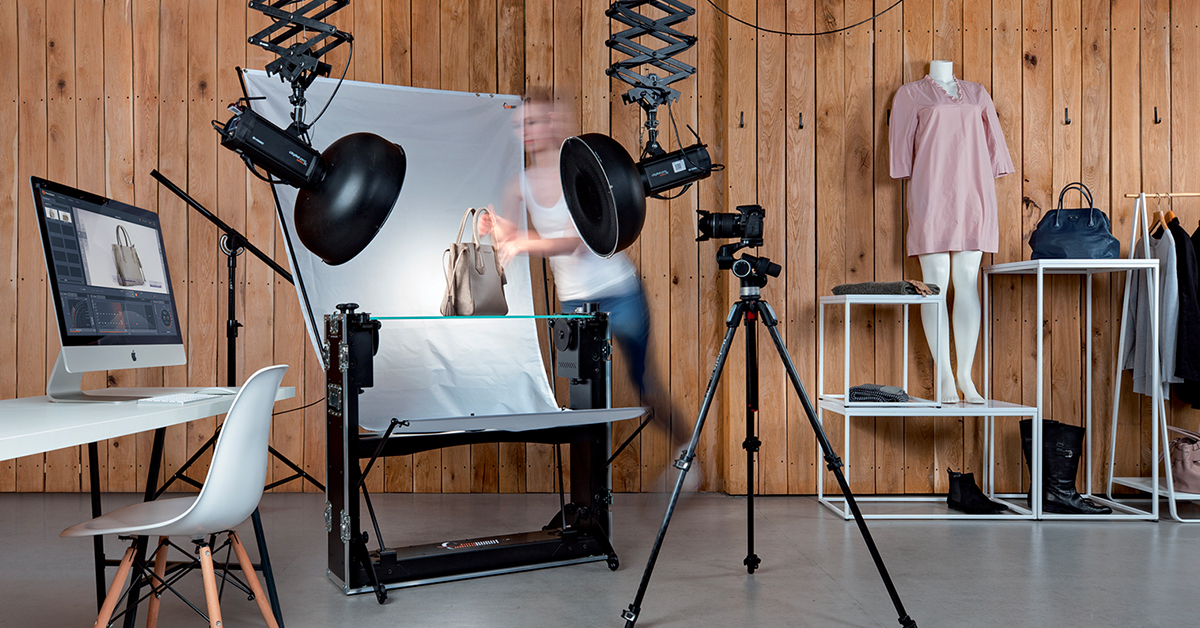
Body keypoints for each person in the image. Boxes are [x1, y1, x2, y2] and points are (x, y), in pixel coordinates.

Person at [480, 90, 681, 449]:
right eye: (519, 125)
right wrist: (494, 227)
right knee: (583, 397)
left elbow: (576, 241)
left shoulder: (580, 170)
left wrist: (520, 242)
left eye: (533, 121)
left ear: (552, 123)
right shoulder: (520, 184)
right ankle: (591, 494)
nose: (525, 130)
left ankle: (687, 451)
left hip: (619, 293)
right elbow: (510, 236)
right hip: (575, 303)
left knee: (645, 384)